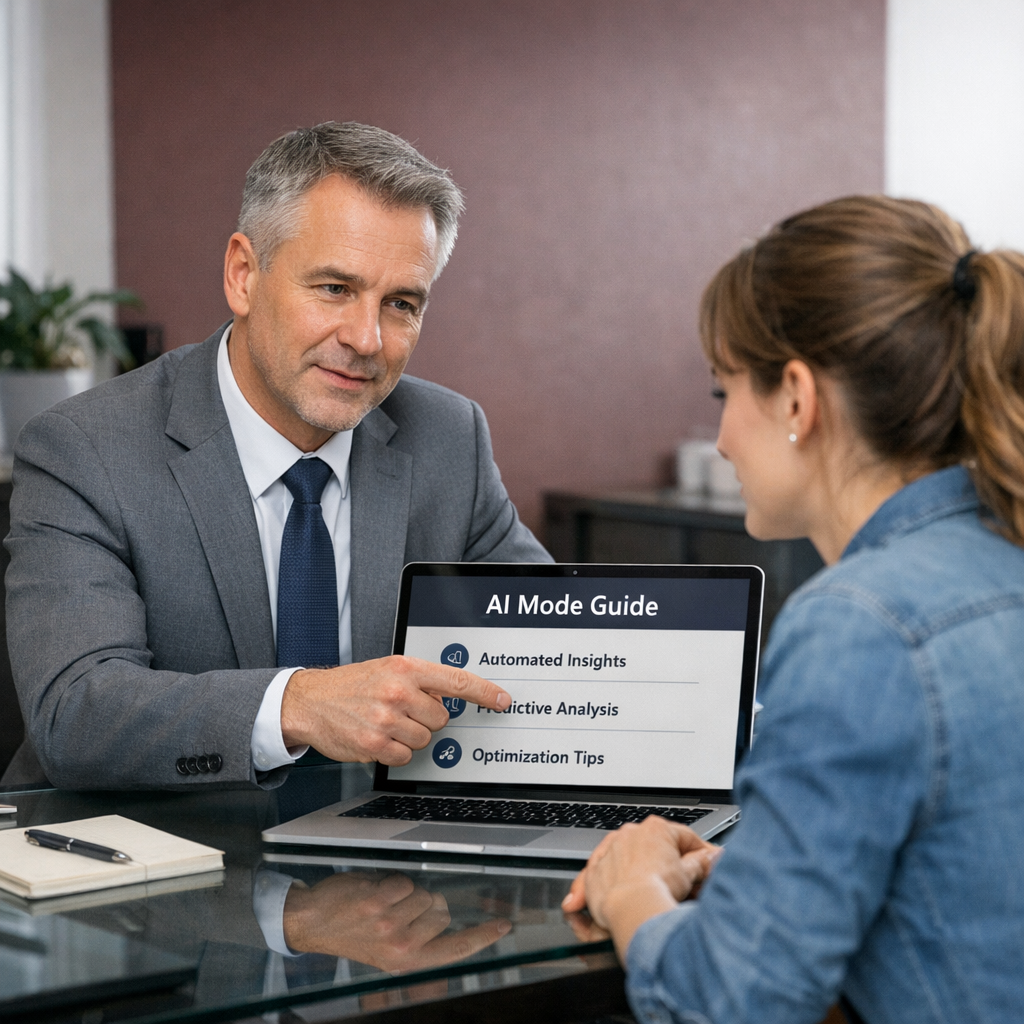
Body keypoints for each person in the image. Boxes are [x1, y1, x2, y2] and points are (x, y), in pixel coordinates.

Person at [562, 196, 1024, 1023]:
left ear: (798, 400)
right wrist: (756, 875)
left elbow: (736, 1005)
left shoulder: (861, 626)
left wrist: (630, 891)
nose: (725, 437)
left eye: (725, 390)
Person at [3, 122, 549, 791]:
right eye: (333, 289)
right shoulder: (87, 450)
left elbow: (544, 647)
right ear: (243, 275)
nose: (366, 338)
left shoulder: (447, 436)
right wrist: (299, 706)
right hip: (145, 857)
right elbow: (75, 716)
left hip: (380, 862)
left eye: (400, 303)